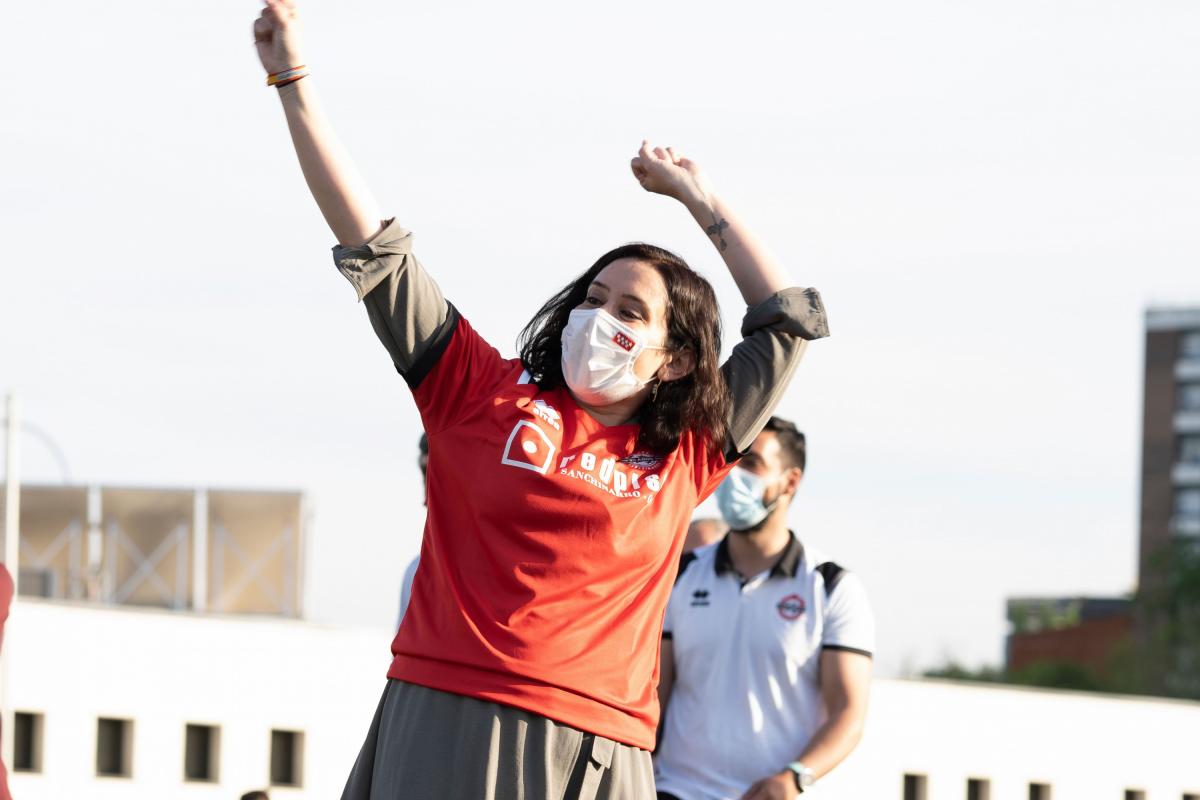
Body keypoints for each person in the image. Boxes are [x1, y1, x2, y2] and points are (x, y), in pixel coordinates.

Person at [252, 2, 829, 796]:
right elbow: (373, 246)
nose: (600, 318)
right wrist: (292, 81)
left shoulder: (688, 448)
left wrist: (698, 199)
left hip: (599, 743)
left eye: (630, 312)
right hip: (447, 711)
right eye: (593, 298)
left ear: (674, 360)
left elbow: (787, 320)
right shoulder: (474, 388)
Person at [655, 418, 874, 800]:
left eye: (752, 463)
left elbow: (848, 713)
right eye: (732, 459)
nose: (733, 474)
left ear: (790, 481)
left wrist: (793, 778)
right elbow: (655, 692)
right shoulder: (682, 574)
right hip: (674, 790)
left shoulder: (832, 587)